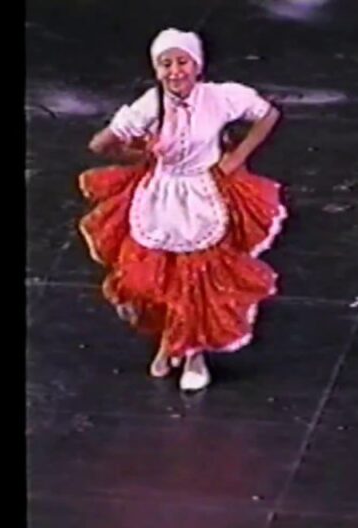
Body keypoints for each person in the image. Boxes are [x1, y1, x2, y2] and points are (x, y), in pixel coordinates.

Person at [79, 28, 286, 391]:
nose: (175, 71)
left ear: (197, 64)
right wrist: (142, 155)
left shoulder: (220, 98)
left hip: (204, 193)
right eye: (166, 64)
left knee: (198, 278)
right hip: (161, 194)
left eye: (182, 62)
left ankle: (193, 353)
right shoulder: (150, 103)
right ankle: (167, 340)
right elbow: (101, 143)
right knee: (149, 278)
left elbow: (267, 115)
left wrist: (236, 158)